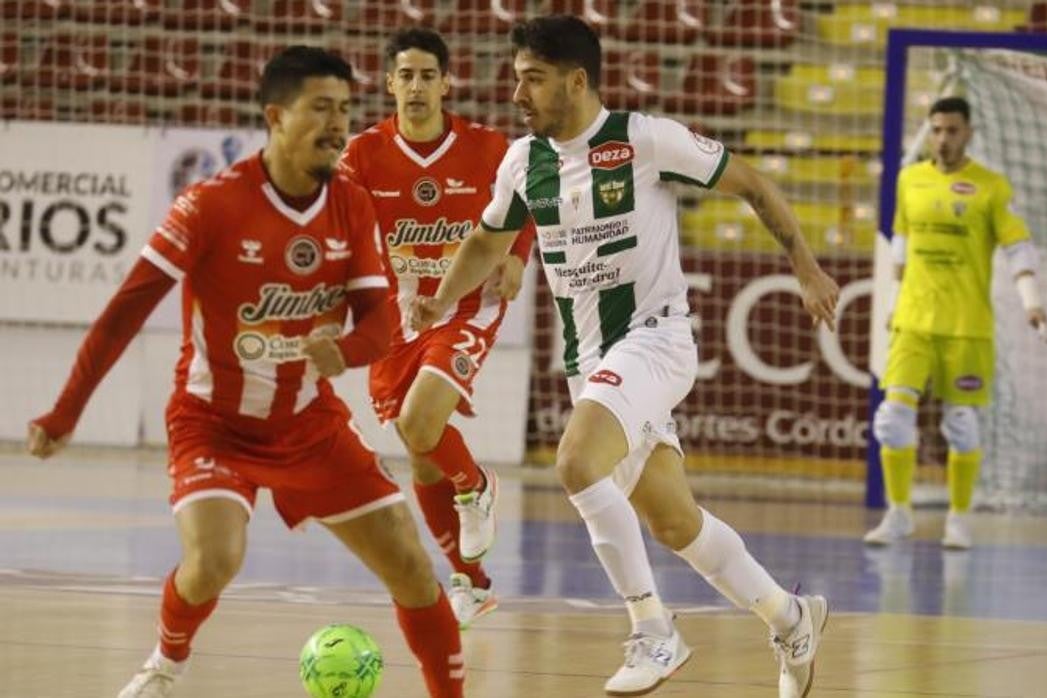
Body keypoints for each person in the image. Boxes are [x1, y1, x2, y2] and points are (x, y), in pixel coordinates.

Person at [411, 15, 841, 698]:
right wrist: (439, 299)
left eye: (533, 78)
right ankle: (790, 617)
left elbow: (754, 185)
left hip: (658, 339)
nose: (517, 93)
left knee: (576, 462)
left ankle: (653, 631)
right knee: (674, 522)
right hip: (593, 365)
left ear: (576, 81)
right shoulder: (524, 161)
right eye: (516, 76)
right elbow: (489, 242)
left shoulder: (645, 140)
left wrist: (806, 267)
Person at [26, 47, 464, 698]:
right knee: (215, 560)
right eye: (321, 109)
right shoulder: (211, 204)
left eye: (345, 110)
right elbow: (124, 312)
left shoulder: (350, 203)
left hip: (309, 425)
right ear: (275, 117)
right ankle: (166, 661)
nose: (338, 125)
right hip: (214, 424)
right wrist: (65, 413)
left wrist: (342, 353)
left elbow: (380, 320)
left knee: (411, 567)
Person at [339, 28, 535, 628]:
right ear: (390, 83)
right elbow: (338, 224)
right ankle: (471, 583)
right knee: (422, 458)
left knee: (418, 422)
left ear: (448, 83)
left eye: (429, 75)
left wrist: (518, 254)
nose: (418, 86)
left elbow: (526, 200)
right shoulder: (363, 155)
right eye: (407, 75)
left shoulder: (487, 148)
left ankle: (476, 487)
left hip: (465, 307)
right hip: (396, 316)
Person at [864, 96, 1047, 550]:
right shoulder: (911, 179)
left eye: (952, 130)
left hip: (967, 325)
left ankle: (959, 518)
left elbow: (1018, 247)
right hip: (913, 319)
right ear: (929, 132)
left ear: (969, 133)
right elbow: (903, 241)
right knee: (891, 419)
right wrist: (893, 301)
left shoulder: (991, 187)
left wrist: (1031, 300)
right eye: (937, 130)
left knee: (962, 425)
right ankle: (899, 512)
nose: (943, 139)